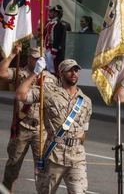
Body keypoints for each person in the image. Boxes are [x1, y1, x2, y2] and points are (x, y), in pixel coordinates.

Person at [15, 59, 92, 193]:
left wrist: (76, 143)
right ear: (60, 73)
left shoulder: (85, 101)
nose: (73, 73)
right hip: (53, 155)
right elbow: (20, 95)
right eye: (69, 70)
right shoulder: (49, 92)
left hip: (77, 158)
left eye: (76, 70)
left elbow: (84, 130)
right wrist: (35, 73)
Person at [0, 45, 57, 192]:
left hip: (41, 129)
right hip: (22, 127)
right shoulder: (20, 73)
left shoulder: (50, 78)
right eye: (34, 58)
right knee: (13, 165)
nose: (38, 60)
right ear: (29, 58)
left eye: (40, 58)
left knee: (42, 169)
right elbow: (2, 73)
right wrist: (12, 55)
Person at [44, 5, 67, 75]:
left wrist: (54, 52)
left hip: (53, 51)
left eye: (51, 12)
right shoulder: (49, 23)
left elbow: (58, 40)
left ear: (56, 14)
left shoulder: (59, 24)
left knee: (54, 70)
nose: (49, 13)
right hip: (47, 49)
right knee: (48, 69)